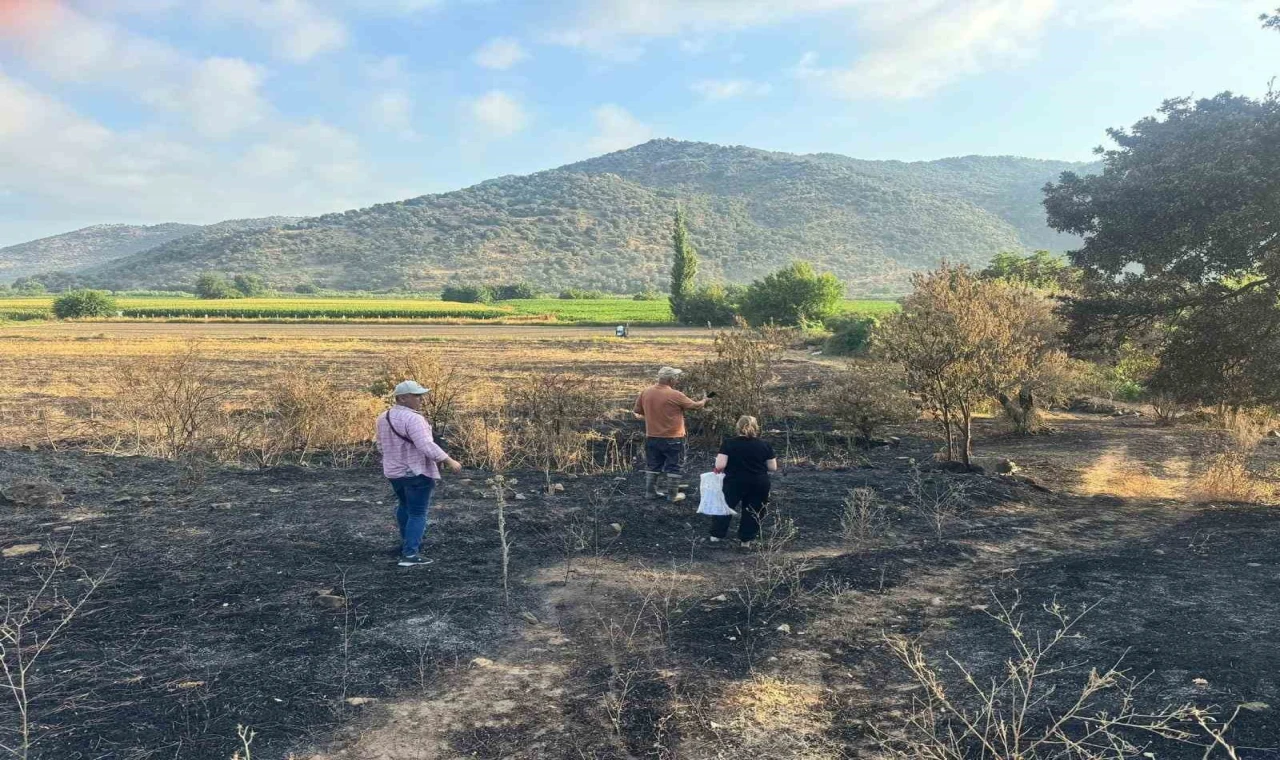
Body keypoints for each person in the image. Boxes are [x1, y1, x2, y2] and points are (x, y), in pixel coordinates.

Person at [376, 380, 463, 567]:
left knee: (404, 506)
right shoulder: (414, 419)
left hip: (393, 472)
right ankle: (410, 554)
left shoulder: (383, 417)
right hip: (416, 472)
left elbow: (380, 445)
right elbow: (426, 445)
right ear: (402, 398)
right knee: (418, 513)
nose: (420, 399)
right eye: (416, 395)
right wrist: (449, 461)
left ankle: (406, 544)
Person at [633, 366, 709, 501]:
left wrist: (653, 416)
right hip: (673, 438)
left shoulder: (645, 392)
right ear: (671, 379)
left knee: (653, 465)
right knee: (674, 466)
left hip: (652, 437)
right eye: (675, 377)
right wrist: (705, 400)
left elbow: (638, 412)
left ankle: (650, 493)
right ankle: (672, 495)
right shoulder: (676, 394)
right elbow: (696, 406)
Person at [709, 415, 777, 545]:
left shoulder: (729, 443)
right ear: (756, 428)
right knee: (753, 510)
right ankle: (746, 541)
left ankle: (716, 536)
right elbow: (772, 467)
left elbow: (720, 466)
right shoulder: (765, 445)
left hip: (733, 482)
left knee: (724, 507)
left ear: (738, 427)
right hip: (758, 483)